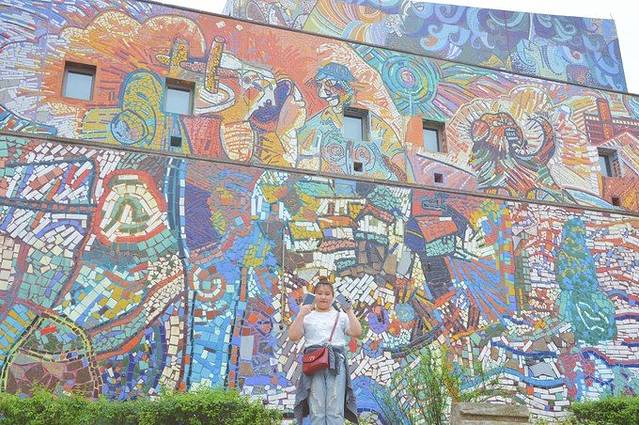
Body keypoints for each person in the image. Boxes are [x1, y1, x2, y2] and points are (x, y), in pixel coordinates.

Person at [289, 277, 362, 424]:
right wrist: (301, 313)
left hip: (336, 363)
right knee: (317, 408)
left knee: (335, 408)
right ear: (314, 296)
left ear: (333, 297)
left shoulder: (341, 316)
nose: (323, 297)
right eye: (320, 293)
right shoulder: (307, 316)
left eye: (327, 294)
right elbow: (293, 336)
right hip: (313, 364)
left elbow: (356, 332)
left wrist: (349, 311)